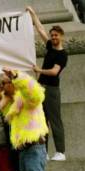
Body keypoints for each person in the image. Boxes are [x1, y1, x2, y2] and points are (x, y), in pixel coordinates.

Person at [27, 6, 68, 161]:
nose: (53, 37)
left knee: (55, 120)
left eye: (56, 35)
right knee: (42, 120)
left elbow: (54, 72)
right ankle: (43, 151)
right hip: (41, 88)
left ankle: (60, 152)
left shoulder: (62, 54)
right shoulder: (50, 46)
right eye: (52, 35)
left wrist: (39, 70)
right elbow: (40, 30)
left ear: (62, 36)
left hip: (51, 90)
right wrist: (33, 14)